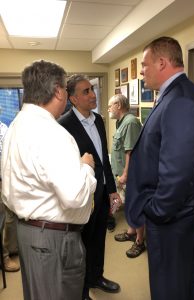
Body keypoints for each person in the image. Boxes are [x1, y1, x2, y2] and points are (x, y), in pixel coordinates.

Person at [125, 36, 194, 300]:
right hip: (172, 216)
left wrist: (156, 212)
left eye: (144, 65)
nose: (141, 71)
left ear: (162, 63)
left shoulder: (181, 101)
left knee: (170, 287)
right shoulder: (174, 95)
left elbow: (178, 173)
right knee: (178, 282)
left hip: (170, 219)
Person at [1, 60, 97, 300]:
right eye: (65, 88)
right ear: (57, 91)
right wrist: (86, 168)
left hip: (30, 232)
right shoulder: (53, 134)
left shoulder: (16, 125)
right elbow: (74, 196)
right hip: (53, 240)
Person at [58, 74, 121, 300]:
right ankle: (82, 290)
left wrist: (112, 189)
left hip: (102, 192)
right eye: (85, 91)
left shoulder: (99, 120)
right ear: (73, 99)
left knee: (98, 241)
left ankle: (97, 277)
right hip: (82, 196)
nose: (93, 95)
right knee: (81, 246)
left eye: (92, 89)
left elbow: (103, 158)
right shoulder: (63, 125)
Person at [108, 94, 145, 258]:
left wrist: (125, 174)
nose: (109, 109)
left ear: (118, 105)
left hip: (130, 175)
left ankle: (139, 241)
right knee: (129, 205)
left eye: (110, 106)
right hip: (121, 175)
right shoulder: (120, 122)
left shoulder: (130, 122)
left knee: (136, 207)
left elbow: (132, 152)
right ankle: (131, 232)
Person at [0, 120, 20, 272]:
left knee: (5, 218)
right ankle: (5, 258)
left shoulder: (4, 128)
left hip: (4, 179)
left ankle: (5, 255)